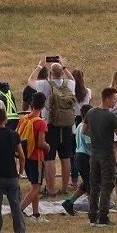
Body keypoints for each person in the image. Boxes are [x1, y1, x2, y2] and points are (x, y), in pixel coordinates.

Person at [85, 88, 117, 227]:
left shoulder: (91, 112)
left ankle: (92, 215)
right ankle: (103, 216)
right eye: (114, 98)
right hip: (107, 154)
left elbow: (84, 130)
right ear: (107, 99)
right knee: (107, 185)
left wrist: (95, 135)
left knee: (94, 185)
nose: (116, 101)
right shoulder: (111, 116)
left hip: (94, 153)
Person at [44, 63, 78, 195]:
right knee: (66, 157)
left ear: (50, 73)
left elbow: (31, 81)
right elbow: (73, 79)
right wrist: (63, 66)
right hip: (67, 125)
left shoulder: (46, 85)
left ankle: (51, 189)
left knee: (50, 158)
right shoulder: (70, 84)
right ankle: (64, 188)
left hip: (51, 124)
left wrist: (40, 67)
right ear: (62, 73)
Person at [16, 92, 48, 219]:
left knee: (34, 185)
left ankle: (36, 213)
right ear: (43, 106)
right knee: (37, 187)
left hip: (26, 157)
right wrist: (48, 147)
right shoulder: (41, 123)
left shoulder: (24, 119)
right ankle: (19, 211)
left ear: (31, 104)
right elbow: (40, 143)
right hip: (37, 158)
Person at [60, 105, 93, 216]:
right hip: (85, 157)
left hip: (78, 155)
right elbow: (89, 144)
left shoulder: (79, 125)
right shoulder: (87, 127)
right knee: (91, 184)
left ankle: (69, 202)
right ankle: (93, 208)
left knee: (86, 182)